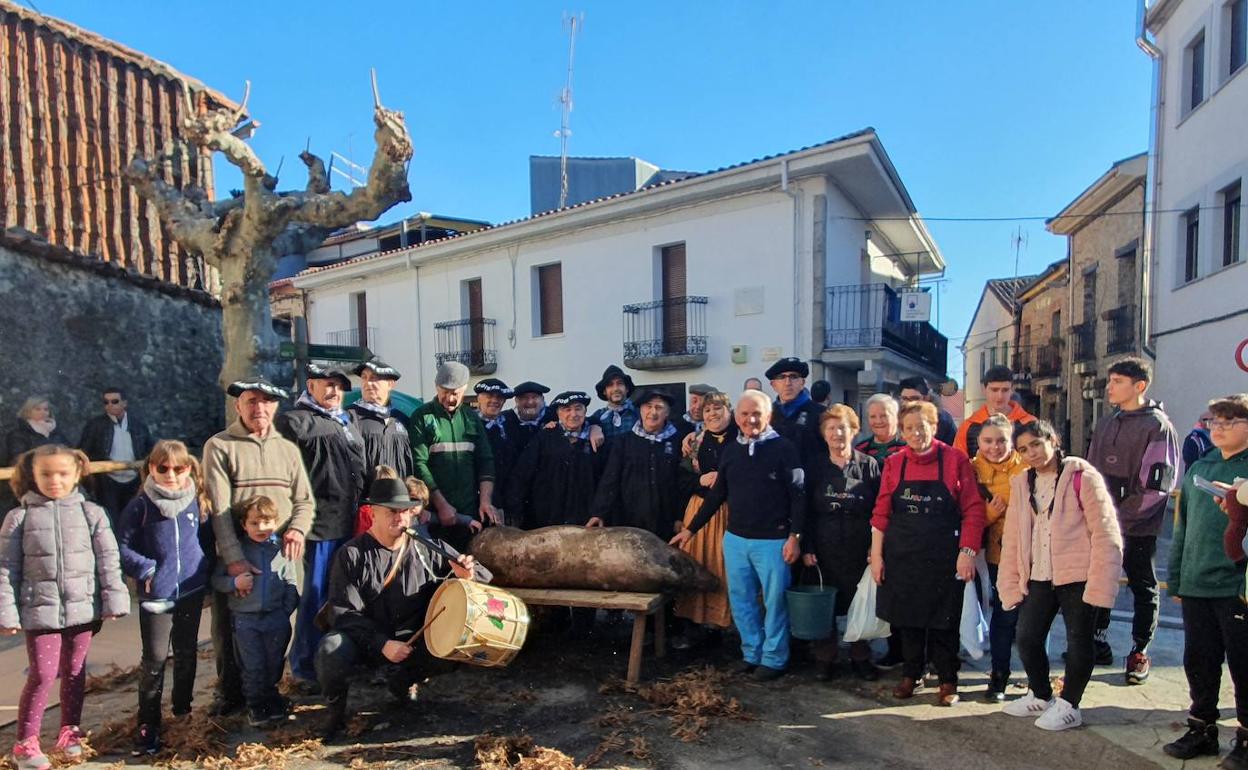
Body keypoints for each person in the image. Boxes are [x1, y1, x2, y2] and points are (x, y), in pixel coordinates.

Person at [316, 477, 478, 738]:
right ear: (372, 514)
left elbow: (475, 572)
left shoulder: (426, 548)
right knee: (330, 649)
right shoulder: (352, 554)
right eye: (392, 511)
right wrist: (381, 644)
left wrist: (466, 574)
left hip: (413, 642)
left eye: (404, 511)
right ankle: (336, 712)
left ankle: (403, 682)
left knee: (456, 640)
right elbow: (343, 612)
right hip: (367, 642)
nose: (400, 518)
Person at [1, 444, 129, 770]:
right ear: (32, 475)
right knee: (43, 674)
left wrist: (113, 600)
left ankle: (69, 731)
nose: (54, 480)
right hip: (39, 612)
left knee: (74, 671)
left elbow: (108, 561)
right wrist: (7, 612)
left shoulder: (92, 514)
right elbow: (5, 569)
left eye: (62, 473)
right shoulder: (20, 517)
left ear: (76, 475)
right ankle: (25, 743)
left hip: (82, 610)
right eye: (46, 474)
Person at [671, 390, 805, 681]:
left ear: (768, 416)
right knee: (741, 599)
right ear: (738, 416)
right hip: (735, 539)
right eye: (745, 414)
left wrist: (795, 535)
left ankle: (774, 658)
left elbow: (798, 496)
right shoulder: (732, 450)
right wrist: (690, 530)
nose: (750, 419)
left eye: (756, 413)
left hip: (773, 540)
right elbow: (717, 495)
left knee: (774, 602)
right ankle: (751, 653)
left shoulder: (784, 448)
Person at [998, 420, 1123, 732]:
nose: (1032, 453)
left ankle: (1070, 705)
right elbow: (1013, 536)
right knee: (1027, 637)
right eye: (1024, 449)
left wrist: (1101, 581)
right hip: (1039, 574)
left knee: (1079, 640)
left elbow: (1106, 532)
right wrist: (1011, 579)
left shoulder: (1082, 476)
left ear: (1052, 440)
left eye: (1037, 445)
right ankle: (1040, 693)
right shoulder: (1021, 482)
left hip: (1077, 574)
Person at [202, 377, 314, 717]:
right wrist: (234, 560)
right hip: (241, 558)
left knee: (277, 628)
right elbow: (219, 511)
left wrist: (296, 529)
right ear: (239, 406)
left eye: (266, 401)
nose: (258, 408)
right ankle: (231, 693)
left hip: (280, 558)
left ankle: (268, 693)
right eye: (251, 401)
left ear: (275, 406)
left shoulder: (287, 450)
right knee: (231, 630)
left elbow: (305, 502)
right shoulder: (220, 446)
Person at [870, 401, 986, 706]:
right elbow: (881, 512)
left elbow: (973, 510)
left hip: (944, 555)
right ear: (902, 431)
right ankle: (911, 674)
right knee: (907, 619)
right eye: (909, 428)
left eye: (921, 427)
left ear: (934, 427)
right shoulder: (895, 463)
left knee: (943, 622)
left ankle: (948, 680)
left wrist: (967, 551)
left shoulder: (955, 460)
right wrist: (877, 555)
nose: (915, 433)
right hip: (903, 554)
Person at [1162, 394, 1248, 765]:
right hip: (1197, 582)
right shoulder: (1202, 467)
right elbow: (1182, 529)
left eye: (1230, 422)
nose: (1220, 429)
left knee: (1243, 663)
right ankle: (1202, 728)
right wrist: (1178, 578)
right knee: (1199, 660)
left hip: (1237, 586)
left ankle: (1245, 736)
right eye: (1214, 422)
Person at [116, 440, 215, 756]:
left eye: (178, 468)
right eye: (163, 468)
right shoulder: (141, 506)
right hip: (156, 595)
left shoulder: (197, 501)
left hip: (190, 590)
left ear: (189, 468)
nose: (171, 474)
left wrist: (205, 574)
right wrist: (146, 569)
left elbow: (206, 541)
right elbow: (122, 548)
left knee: (187, 654)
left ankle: (182, 712)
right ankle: (149, 723)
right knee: (155, 660)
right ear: (151, 469)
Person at [1086, 357, 1180, 683]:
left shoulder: (1158, 426)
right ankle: (1097, 642)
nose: (1109, 387)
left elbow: (1157, 485)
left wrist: (1121, 519)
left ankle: (1140, 651)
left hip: (1137, 527)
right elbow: (1091, 472)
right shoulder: (1107, 422)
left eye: (1117, 382)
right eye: (1110, 381)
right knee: (1100, 582)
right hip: (1101, 524)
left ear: (1139, 386)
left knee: (1143, 587)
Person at [276, 364, 366, 693]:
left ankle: (337, 660)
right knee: (315, 599)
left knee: (344, 598)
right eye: (327, 385)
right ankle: (304, 666)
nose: (334, 392)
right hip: (318, 527)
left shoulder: (347, 420)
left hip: (349, 521)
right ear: (310, 385)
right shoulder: (293, 422)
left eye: (340, 387)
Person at [802, 405, 880, 681]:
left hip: (859, 546)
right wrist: (807, 546)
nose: (837, 433)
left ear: (854, 431)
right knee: (827, 603)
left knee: (859, 601)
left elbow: (879, 510)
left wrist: (876, 546)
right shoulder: (814, 466)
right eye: (831, 428)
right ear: (824, 434)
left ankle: (861, 656)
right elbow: (805, 510)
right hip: (824, 545)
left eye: (843, 427)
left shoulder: (868, 465)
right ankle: (826, 658)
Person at [211, 496, 300, 727]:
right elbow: (217, 580)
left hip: (276, 619)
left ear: (276, 521)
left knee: (274, 663)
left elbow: (291, 581)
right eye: (255, 523)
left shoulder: (280, 548)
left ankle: (271, 699)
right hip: (246, 620)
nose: (261, 528)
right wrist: (234, 584)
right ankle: (256, 706)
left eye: (267, 521)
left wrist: (284, 611)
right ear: (244, 525)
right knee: (253, 666)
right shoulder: (237, 552)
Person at [672, 391, 738, 649]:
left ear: (729, 411)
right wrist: (700, 480)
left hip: (730, 511)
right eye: (708, 410)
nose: (712, 414)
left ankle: (723, 626)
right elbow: (680, 479)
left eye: (718, 409)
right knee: (698, 564)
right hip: (699, 511)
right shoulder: (696, 442)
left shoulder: (740, 438)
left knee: (724, 567)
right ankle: (695, 627)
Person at [410, 362, 497, 552]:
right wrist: (441, 506)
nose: (449, 398)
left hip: (469, 514)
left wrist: (485, 501)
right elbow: (420, 465)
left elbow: (486, 461)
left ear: (464, 389)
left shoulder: (472, 418)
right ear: (436, 386)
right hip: (435, 517)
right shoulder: (421, 417)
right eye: (444, 391)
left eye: (455, 393)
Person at [969, 414, 1027, 701]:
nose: (995, 447)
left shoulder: (1028, 466)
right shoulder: (970, 470)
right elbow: (965, 517)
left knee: (1030, 618)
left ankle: (1034, 676)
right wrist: (990, 513)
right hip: (995, 553)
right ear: (978, 442)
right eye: (988, 441)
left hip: (1030, 554)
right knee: (1004, 616)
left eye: (1001, 440)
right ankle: (999, 675)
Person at [589, 389, 690, 536]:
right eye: (648, 406)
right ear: (641, 410)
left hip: (666, 521)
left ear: (667, 413)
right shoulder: (624, 441)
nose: (653, 412)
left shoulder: (678, 441)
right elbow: (610, 479)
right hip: (629, 520)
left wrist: (681, 517)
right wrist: (599, 513)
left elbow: (683, 482)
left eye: (659, 407)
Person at [507, 391, 607, 530]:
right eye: (567, 409)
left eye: (578, 408)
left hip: (586, 521)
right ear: (558, 414)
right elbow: (522, 474)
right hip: (546, 520)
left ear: (585, 412)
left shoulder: (598, 441)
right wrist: (514, 510)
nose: (573, 414)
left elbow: (607, 481)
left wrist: (599, 512)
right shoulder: (543, 437)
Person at [78, 386, 155, 524]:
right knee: (111, 518)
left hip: (134, 479)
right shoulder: (95, 426)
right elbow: (83, 451)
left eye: (114, 401)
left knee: (134, 517)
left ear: (124, 403)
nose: (109, 405)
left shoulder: (138, 425)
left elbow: (150, 448)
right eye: (106, 402)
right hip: (107, 480)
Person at [351, 358, 414, 486]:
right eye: (364, 377)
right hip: (366, 501)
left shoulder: (402, 419)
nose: (368, 383)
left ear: (390, 384)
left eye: (374, 378)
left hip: (398, 500)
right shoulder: (350, 418)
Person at [954, 365, 1036, 458]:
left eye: (1005, 390)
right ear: (984, 389)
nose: (1000, 396)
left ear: (1012, 390)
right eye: (994, 390)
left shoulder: (1030, 423)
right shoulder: (967, 427)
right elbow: (957, 464)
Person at [474, 378, 517, 525]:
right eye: (489, 396)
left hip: (504, 499)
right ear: (479, 398)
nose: (494, 400)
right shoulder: (469, 424)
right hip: (477, 499)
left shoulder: (510, 423)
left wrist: (593, 426)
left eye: (499, 397)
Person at [766, 357, 826, 461]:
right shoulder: (766, 414)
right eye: (782, 377)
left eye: (793, 377)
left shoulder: (821, 413)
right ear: (773, 385)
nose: (788, 383)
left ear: (802, 383)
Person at [1, 396, 70, 467]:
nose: (43, 412)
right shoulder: (18, 435)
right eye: (38, 409)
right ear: (28, 412)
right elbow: (16, 460)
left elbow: (71, 453)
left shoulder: (57, 433)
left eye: (46, 409)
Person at [898, 376, 957, 446]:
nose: (909, 403)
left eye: (915, 398)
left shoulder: (943, 420)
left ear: (926, 398)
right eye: (905, 399)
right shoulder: (893, 418)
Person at [590, 365, 639, 440]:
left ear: (627, 389)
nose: (616, 388)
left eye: (619, 383)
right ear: (604, 391)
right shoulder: (597, 417)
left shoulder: (639, 413)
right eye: (610, 385)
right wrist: (593, 428)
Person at [504, 381, 552, 456]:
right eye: (524, 398)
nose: (530, 402)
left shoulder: (555, 416)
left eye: (534, 397)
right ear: (516, 401)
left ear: (542, 399)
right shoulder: (504, 420)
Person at [855, 394, 906, 463]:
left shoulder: (908, 446)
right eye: (873, 417)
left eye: (883, 416)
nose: (878, 421)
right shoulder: (860, 450)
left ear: (896, 417)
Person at [1183, 411, 1215, 475]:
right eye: (1205, 419)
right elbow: (1189, 459)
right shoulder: (1193, 438)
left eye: (1212, 419)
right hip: (1197, 475)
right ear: (1200, 422)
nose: (1208, 422)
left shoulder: (1218, 436)